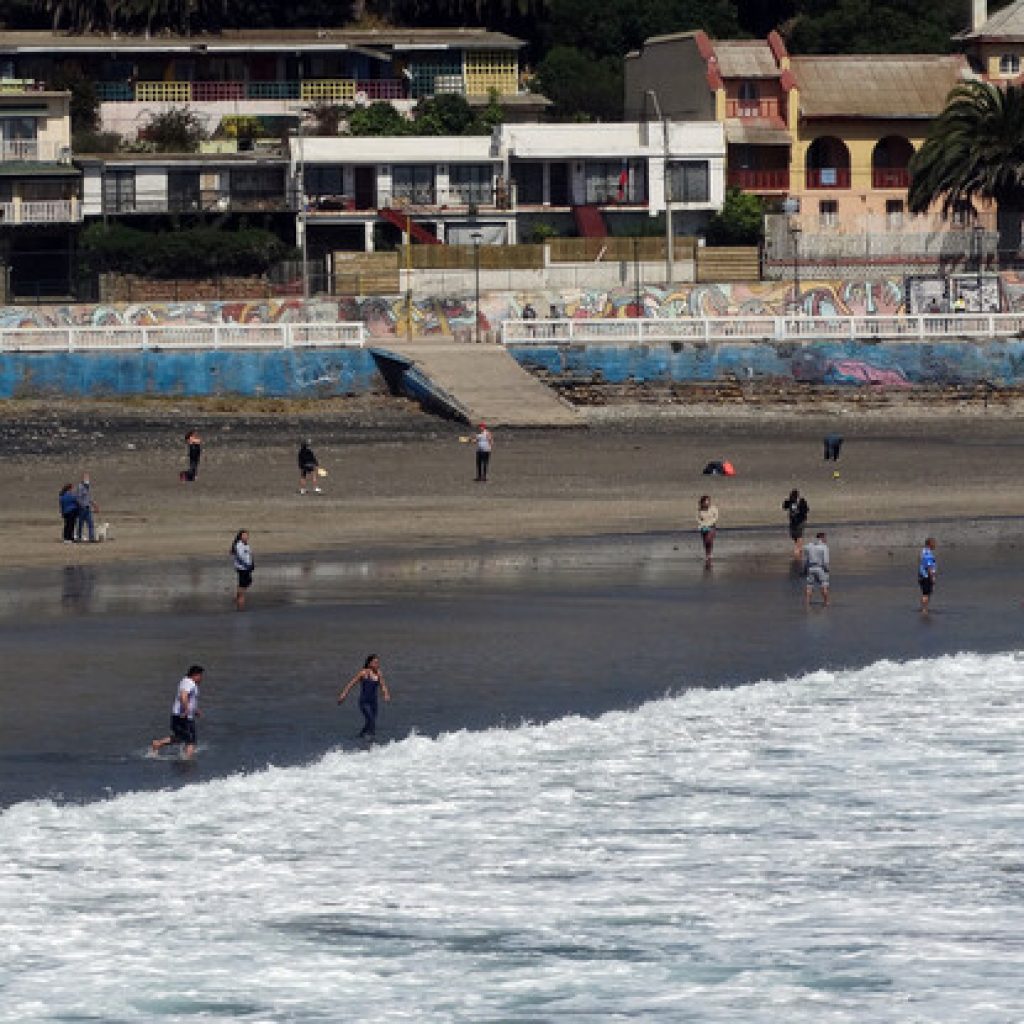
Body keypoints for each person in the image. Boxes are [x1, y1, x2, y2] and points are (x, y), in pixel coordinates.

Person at [151, 665, 205, 759]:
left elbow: (190, 699)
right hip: (183, 716)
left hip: (183, 716)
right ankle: (187, 762)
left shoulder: (188, 682)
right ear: (195, 675)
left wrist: (195, 710)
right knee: (190, 741)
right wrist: (186, 709)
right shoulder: (189, 682)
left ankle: (158, 743)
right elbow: (183, 696)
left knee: (181, 737)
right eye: (200, 676)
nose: (201, 678)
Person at [338, 654, 391, 740]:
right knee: (371, 720)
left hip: (373, 702)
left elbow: (383, 685)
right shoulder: (363, 673)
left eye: (378, 663)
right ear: (370, 663)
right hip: (364, 702)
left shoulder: (378, 673)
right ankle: (372, 740)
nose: (377, 664)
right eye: (375, 662)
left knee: (370, 721)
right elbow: (351, 684)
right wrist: (343, 695)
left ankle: (360, 735)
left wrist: (386, 694)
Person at [803, 530, 830, 608]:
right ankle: (826, 602)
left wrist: (805, 569)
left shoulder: (809, 546)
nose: (826, 539)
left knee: (809, 585)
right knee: (824, 585)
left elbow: (806, 559)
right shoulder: (824, 547)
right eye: (825, 538)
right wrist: (827, 570)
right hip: (820, 568)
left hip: (810, 568)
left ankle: (807, 602)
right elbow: (826, 561)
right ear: (822, 538)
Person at [782, 488, 810, 559]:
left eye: (793, 497)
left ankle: (798, 549)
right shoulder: (790, 501)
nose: (793, 498)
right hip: (793, 521)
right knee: (793, 535)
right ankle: (799, 547)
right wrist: (787, 501)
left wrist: (800, 511)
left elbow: (807, 509)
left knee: (799, 534)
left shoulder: (801, 501)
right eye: (791, 497)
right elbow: (784, 507)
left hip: (801, 520)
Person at [231, 529, 254, 611]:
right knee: (242, 584)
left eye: (247, 535)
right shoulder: (239, 545)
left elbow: (249, 555)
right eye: (244, 535)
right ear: (240, 536)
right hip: (242, 567)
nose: (246, 537)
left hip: (247, 567)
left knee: (249, 581)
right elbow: (240, 556)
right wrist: (246, 564)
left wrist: (252, 564)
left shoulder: (247, 545)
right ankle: (240, 602)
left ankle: (238, 596)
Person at [75, 472, 99, 543]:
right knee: (80, 524)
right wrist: (82, 506)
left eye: (88, 478)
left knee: (91, 523)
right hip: (82, 509)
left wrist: (94, 505)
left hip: (88, 508)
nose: (87, 479)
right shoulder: (80, 487)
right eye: (86, 478)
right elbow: (78, 498)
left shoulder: (87, 487)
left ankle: (92, 538)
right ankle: (79, 538)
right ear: (82, 479)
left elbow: (89, 498)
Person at [696, 494, 718, 569]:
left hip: (711, 526)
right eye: (706, 501)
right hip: (703, 527)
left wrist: (711, 523)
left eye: (708, 501)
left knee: (709, 540)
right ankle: (707, 554)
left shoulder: (713, 508)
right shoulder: (700, 510)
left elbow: (716, 517)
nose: (707, 502)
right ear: (702, 502)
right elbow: (698, 518)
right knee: (705, 541)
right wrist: (701, 524)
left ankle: (710, 554)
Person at [918, 536, 937, 614]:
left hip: (921, 575)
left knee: (925, 593)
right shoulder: (928, 554)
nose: (935, 545)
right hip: (926, 576)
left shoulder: (923, 551)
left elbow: (920, 561)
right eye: (934, 544)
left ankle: (924, 609)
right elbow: (929, 567)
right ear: (930, 544)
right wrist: (932, 577)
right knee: (926, 594)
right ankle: (924, 610)